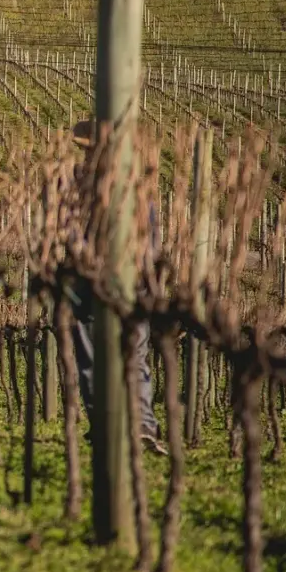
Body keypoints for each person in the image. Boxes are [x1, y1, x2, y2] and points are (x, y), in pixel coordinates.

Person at [68, 119, 166, 456]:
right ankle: (130, 425)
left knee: (107, 357)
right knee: (123, 356)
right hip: (112, 285)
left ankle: (127, 425)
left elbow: (67, 237)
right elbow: (152, 243)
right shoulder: (133, 188)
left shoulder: (81, 189)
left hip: (98, 285)